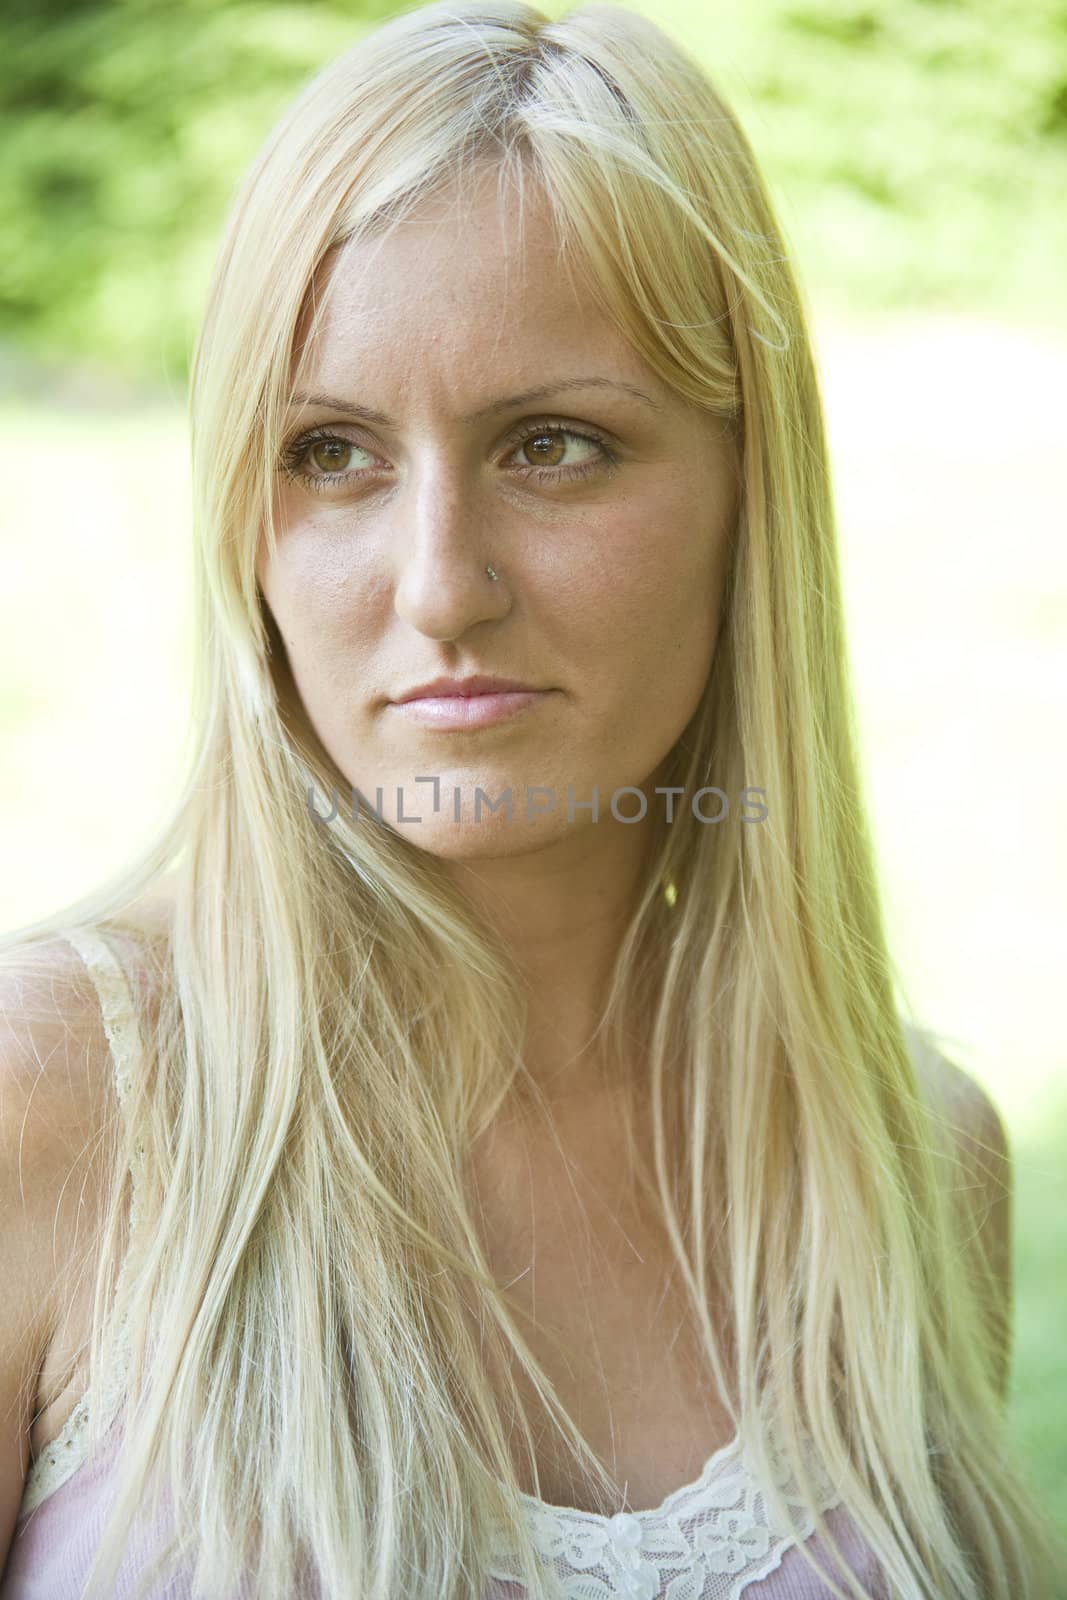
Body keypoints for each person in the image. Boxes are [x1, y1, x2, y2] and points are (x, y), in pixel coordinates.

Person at [1, 2, 1063, 1597]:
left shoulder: (913, 1166)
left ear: (744, 493)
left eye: (554, 444)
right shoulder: (55, 1111)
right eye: (333, 454)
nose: (441, 587)